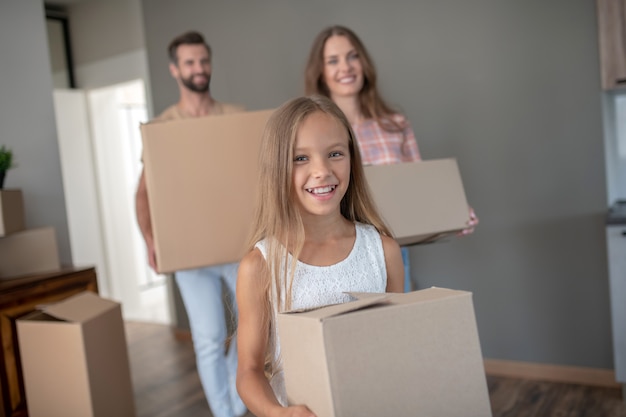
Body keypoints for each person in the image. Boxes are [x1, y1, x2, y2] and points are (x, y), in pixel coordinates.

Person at [235, 95, 404, 417]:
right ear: (276, 167)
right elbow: (249, 371)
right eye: (301, 158)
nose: (322, 171)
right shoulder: (260, 266)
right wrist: (278, 413)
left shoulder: (383, 251)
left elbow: (396, 346)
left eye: (335, 154)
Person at [304, 25, 479, 292]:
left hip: (394, 248)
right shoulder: (310, 131)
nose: (346, 67)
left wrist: (453, 211)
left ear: (363, 62)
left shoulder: (395, 124)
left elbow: (419, 187)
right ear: (321, 73)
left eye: (353, 56)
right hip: (338, 251)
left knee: (393, 327)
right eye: (333, 60)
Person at [135, 30, 247, 417]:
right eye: (189, 62)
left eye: (203, 60)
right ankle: (226, 413)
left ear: (210, 63)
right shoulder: (161, 127)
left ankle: (236, 402)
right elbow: (143, 194)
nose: (198, 69)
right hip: (190, 254)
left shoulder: (236, 116)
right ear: (174, 69)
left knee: (254, 328)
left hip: (238, 246)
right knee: (209, 339)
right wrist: (151, 238)